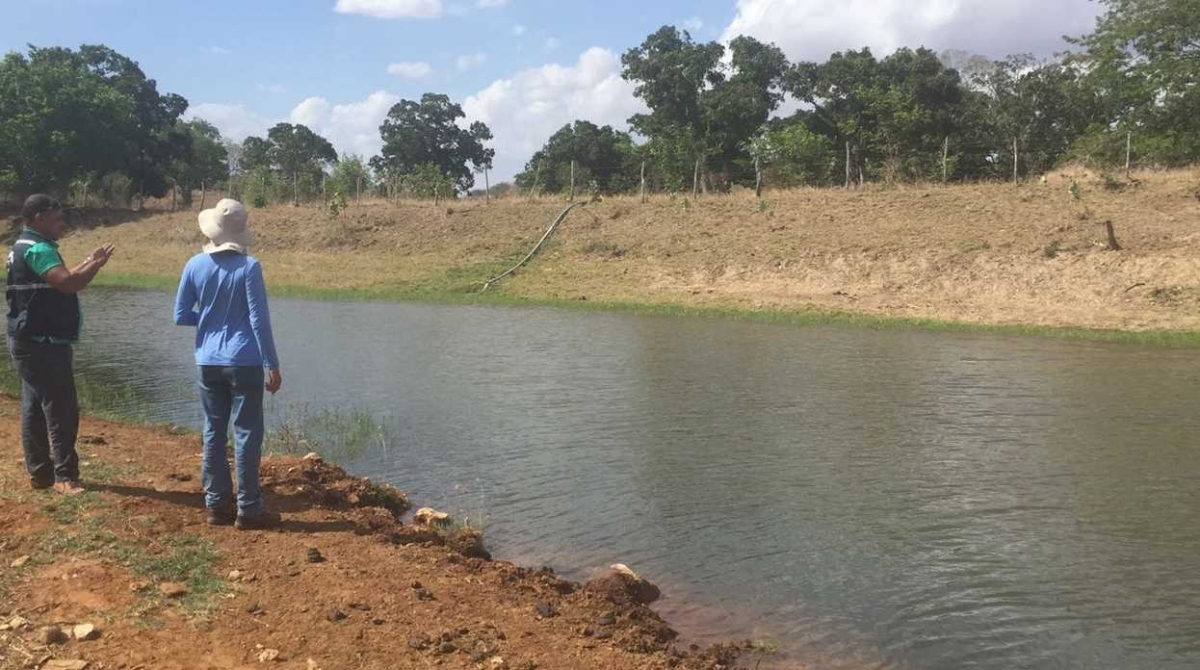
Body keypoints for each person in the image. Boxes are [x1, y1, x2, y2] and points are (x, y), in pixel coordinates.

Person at [173, 198, 282, 529]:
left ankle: (216, 505)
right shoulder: (249, 267)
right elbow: (258, 320)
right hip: (245, 360)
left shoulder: (194, 265)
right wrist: (272, 364)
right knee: (247, 433)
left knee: (213, 430)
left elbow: (181, 315)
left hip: (207, 360)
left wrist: (208, 320)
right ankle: (248, 509)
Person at [6, 194, 115, 495]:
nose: (61, 224)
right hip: (43, 344)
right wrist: (95, 267)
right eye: (56, 218)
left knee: (34, 406)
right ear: (39, 218)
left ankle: (40, 473)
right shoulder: (39, 249)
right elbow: (68, 283)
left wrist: (88, 261)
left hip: (26, 339)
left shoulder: (23, 247)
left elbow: (57, 279)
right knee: (61, 408)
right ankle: (65, 477)